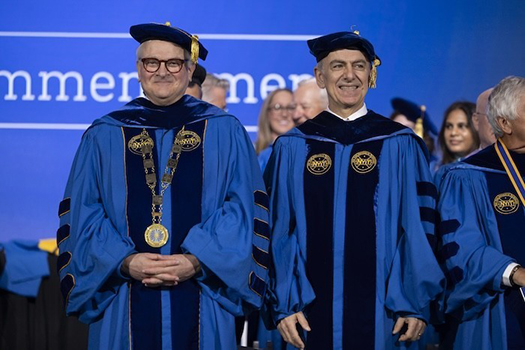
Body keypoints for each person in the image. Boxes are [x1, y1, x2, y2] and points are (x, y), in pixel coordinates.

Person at [57, 22, 269, 349]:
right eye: (151, 63)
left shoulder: (224, 130)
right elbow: (84, 214)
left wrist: (197, 258)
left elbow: (242, 208)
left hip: (202, 292)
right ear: (138, 70)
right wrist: (124, 261)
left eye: (173, 63)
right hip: (124, 297)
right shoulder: (105, 133)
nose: (162, 72)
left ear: (189, 69)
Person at [264, 30, 444, 349]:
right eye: (338, 66)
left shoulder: (400, 144)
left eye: (359, 66)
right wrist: (283, 303)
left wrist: (415, 300)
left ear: (371, 74)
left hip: (387, 314)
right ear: (319, 76)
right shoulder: (293, 146)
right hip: (306, 313)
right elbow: (279, 231)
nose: (350, 75)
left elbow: (418, 229)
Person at [437, 76, 525, 349]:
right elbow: (462, 246)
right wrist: (518, 273)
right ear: (504, 123)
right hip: (501, 309)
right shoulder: (466, 176)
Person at [254, 88, 295, 171]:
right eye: (277, 107)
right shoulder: (250, 153)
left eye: (290, 107)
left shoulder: (305, 153)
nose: (284, 114)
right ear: (267, 113)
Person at [437, 101, 479, 166]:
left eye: (461, 126)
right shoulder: (434, 169)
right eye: (449, 126)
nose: (453, 133)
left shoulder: (487, 171)